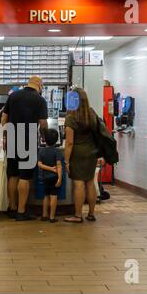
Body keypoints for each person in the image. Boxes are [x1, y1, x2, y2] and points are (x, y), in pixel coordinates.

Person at [1, 76, 48, 221]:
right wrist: (43, 136)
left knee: (13, 175)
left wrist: (5, 137)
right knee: (25, 176)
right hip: (28, 140)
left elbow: (4, 118)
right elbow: (43, 123)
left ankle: (12, 208)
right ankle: (21, 211)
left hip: (12, 139)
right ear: (39, 86)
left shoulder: (13, 96)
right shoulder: (40, 100)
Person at [64, 88, 98, 223]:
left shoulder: (71, 117)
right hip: (91, 152)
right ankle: (91, 213)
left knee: (78, 184)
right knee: (90, 182)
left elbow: (69, 142)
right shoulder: (92, 113)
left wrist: (66, 161)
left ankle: (78, 215)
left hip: (78, 154)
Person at [38, 128, 63, 223]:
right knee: (54, 196)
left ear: (44, 139)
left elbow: (39, 164)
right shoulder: (57, 151)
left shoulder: (41, 151)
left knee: (46, 196)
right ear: (56, 139)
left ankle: (44, 215)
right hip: (54, 177)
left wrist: (48, 168)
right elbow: (59, 166)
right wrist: (59, 178)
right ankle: (52, 217)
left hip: (45, 177)